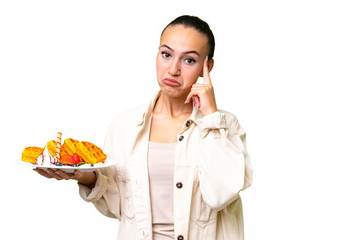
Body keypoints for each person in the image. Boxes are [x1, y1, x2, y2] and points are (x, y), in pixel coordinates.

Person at [35, 15, 253, 240]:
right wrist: (88, 178)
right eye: (166, 55)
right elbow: (120, 208)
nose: (173, 70)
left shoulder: (224, 126)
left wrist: (210, 118)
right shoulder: (124, 126)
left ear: (207, 67)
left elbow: (221, 194)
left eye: (189, 60)